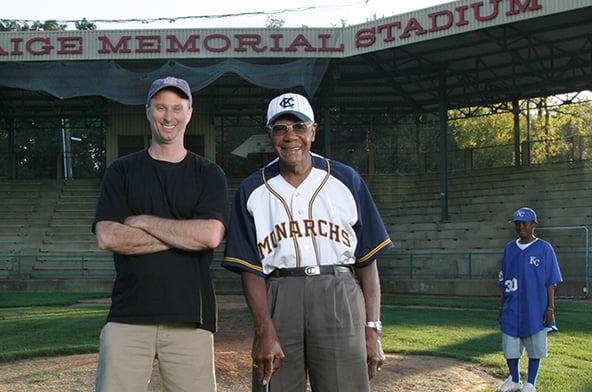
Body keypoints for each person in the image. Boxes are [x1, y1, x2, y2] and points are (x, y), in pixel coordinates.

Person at [222, 92, 393, 392]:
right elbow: (251, 270)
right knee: (274, 385)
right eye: (280, 128)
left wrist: (373, 329)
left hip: (339, 290)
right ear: (269, 136)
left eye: (299, 126)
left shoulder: (346, 180)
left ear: (313, 131)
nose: (290, 137)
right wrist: (264, 327)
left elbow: (367, 263)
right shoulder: (251, 190)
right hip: (279, 294)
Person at [92, 76, 228, 392]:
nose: (169, 117)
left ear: (189, 113)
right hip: (127, 316)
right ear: (148, 110)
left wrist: (140, 221)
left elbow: (209, 236)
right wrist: (182, 235)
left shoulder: (208, 173)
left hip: (190, 319)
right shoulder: (121, 171)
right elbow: (108, 237)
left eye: (177, 108)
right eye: (161, 108)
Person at [497, 207, 563, 392]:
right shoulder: (509, 249)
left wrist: (550, 308)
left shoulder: (544, 248)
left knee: (535, 347)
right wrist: (501, 307)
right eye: (517, 223)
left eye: (524, 223)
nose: (520, 227)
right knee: (510, 345)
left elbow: (551, 281)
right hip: (512, 305)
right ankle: (514, 379)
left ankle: (531, 383)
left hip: (535, 306)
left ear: (534, 224)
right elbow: (504, 281)